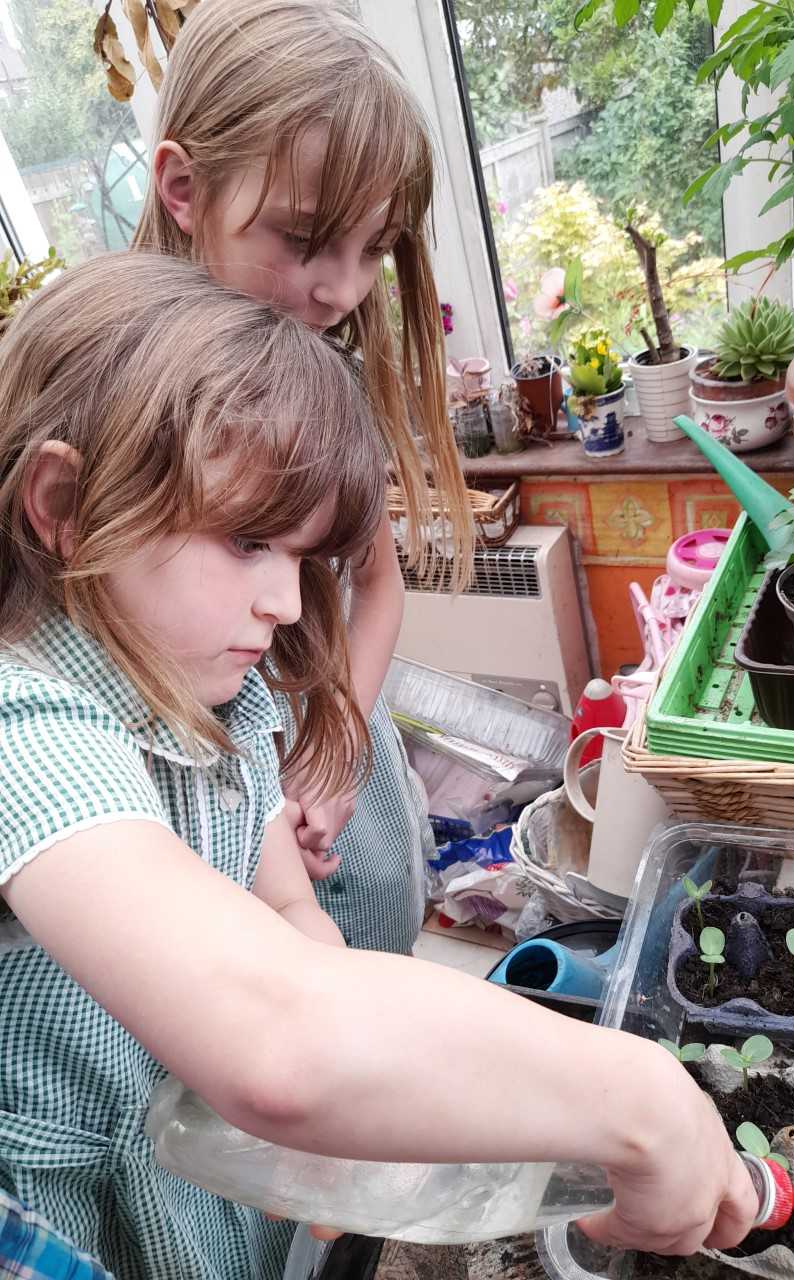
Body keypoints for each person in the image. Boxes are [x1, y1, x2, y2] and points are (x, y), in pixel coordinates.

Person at [0, 252, 756, 1280]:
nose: (283, 600)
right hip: (91, 1228)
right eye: (249, 540)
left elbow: (285, 917)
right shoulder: (26, 732)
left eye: (302, 557)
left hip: (211, 1177)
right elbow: (275, 1034)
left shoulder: (214, 690)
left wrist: (346, 1111)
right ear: (65, 503)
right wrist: (642, 1095)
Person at [132, 0, 475, 955]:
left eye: (373, 250)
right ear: (184, 187)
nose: (343, 291)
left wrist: (337, 748)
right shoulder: (119, 390)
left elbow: (379, 584)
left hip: (332, 783)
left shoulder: (332, 379)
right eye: (303, 240)